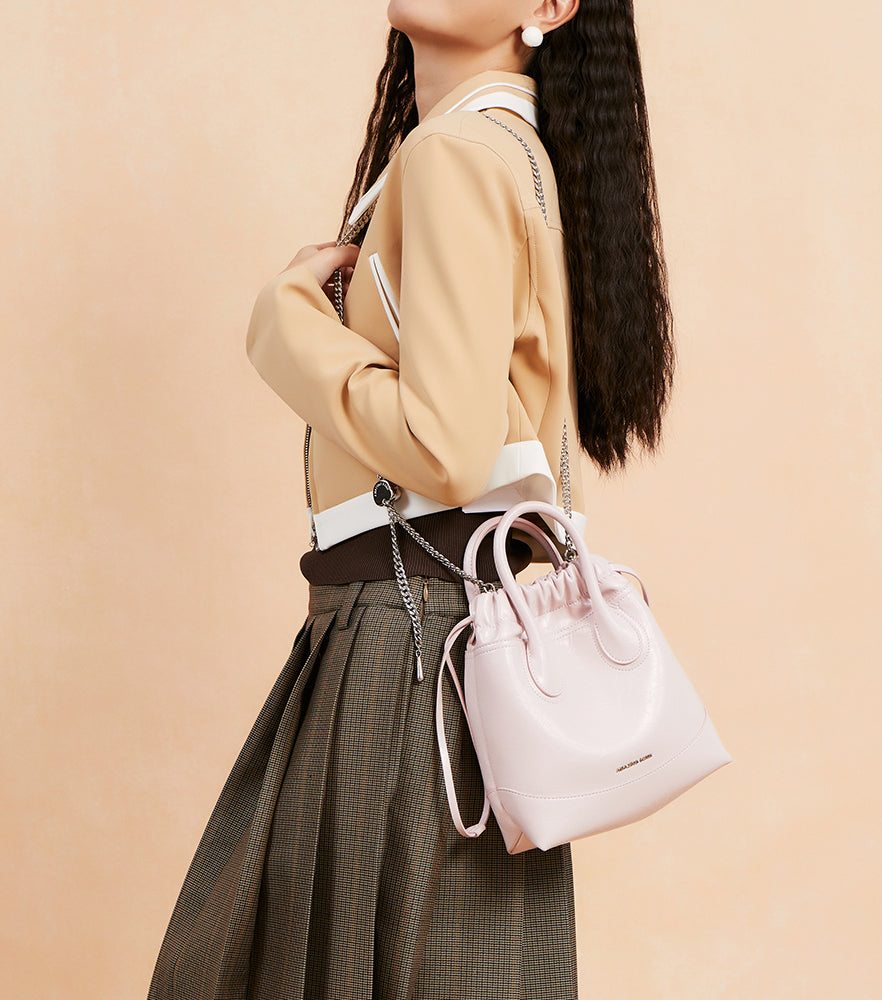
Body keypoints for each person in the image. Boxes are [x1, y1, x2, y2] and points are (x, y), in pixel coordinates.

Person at [146, 0, 673, 996]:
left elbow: (446, 444)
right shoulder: (500, 150)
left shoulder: (455, 157)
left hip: (404, 638)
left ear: (549, 7)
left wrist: (287, 318)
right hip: (453, 638)